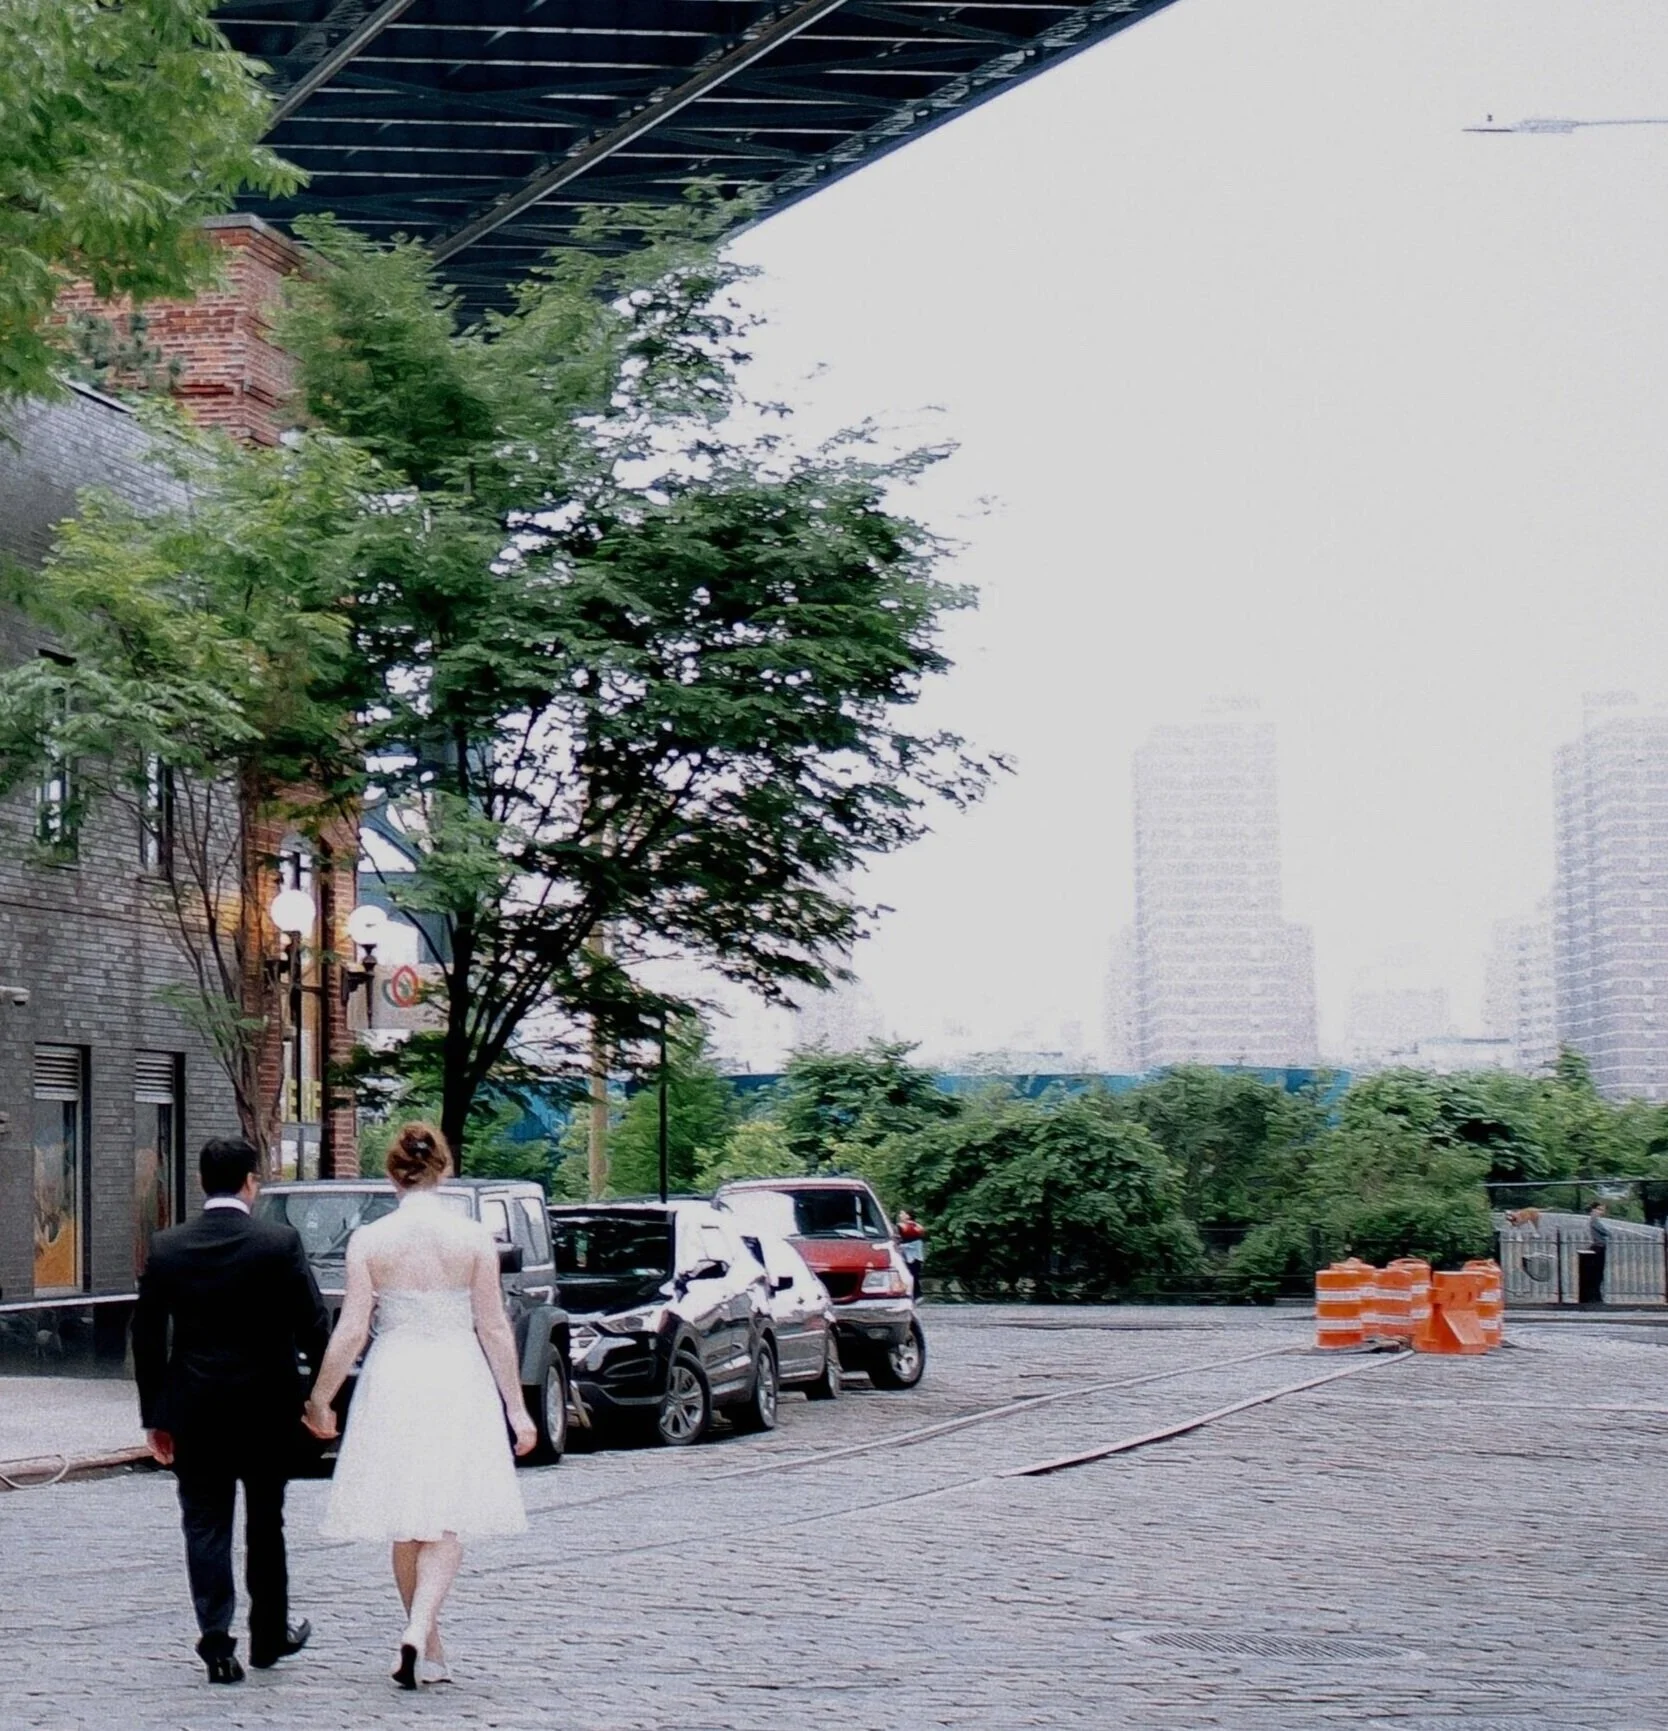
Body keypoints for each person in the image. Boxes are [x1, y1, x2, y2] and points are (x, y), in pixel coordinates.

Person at [303, 1122, 537, 1690]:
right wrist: (517, 1408)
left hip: (395, 1375)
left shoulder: (371, 1240)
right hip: (457, 1374)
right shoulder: (473, 1237)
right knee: (445, 1516)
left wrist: (320, 1398)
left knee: (407, 1521)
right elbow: (494, 1327)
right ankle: (421, 1636)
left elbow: (353, 1328)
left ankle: (422, 1638)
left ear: (391, 1174)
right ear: (446, 1168)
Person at [132, 1136, 330, 1685]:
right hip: (268, 1407)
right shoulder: (278, 1241)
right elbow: (315, 1324)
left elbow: (146, 1336)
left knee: (204, 1523)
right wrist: (322, 1396)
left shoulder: (168, 1246)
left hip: (195, 1408)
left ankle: (217, 1641)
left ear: (201, 1182)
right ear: (251, 1182)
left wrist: (155, 1414)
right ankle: (270, 1635)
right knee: (267, 1521)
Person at [1581, 1200, 1611, 1305]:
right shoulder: (1594, 1221)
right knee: (1597, 1273)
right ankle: (1595, 1296)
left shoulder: (1595, 1221)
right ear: (1593, 1210)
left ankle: (1596, 1295)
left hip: (1599, 1246)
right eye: (1599, 1209)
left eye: (1602, 1210)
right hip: (1599, 1247)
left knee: (1598, 1273)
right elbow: (1606, 1232)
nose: (1601, 1212)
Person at [896, 1209, 926, 1299]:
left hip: (905, 1253)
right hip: (917, 1253)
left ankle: (911, 1293)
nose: (900, 1215)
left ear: (908, 1216)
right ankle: (917, 1293)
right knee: (914, 1274)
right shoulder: (919, 1227)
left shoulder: (901, 1226)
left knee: (906, 1274)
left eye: (902, 1213)